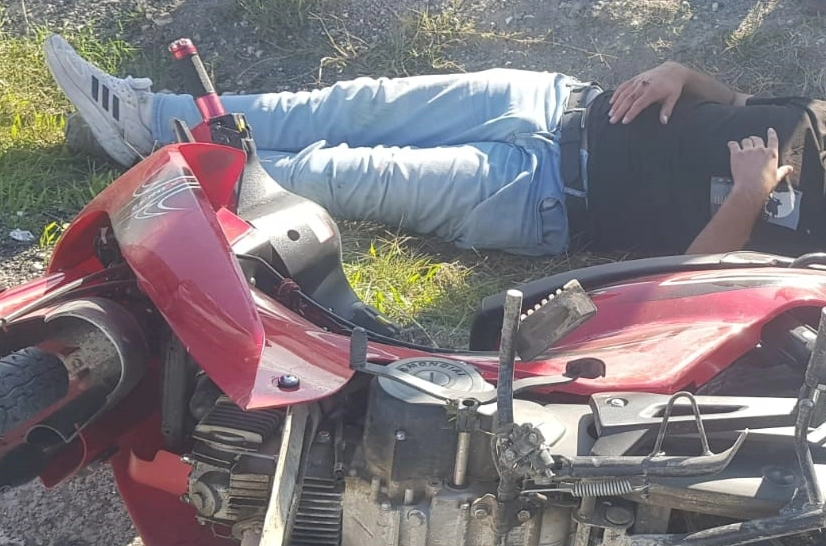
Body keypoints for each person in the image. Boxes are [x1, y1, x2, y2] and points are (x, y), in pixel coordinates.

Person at [43, 34, 817, 258]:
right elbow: (736, 104)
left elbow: (695, 281)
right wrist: (682, 74)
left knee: (334, 173)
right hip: (553, 101)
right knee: (347, 106)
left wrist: (750, 195)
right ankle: (147, 114)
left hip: (542, 197)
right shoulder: (815, 115)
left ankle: (158, 172)